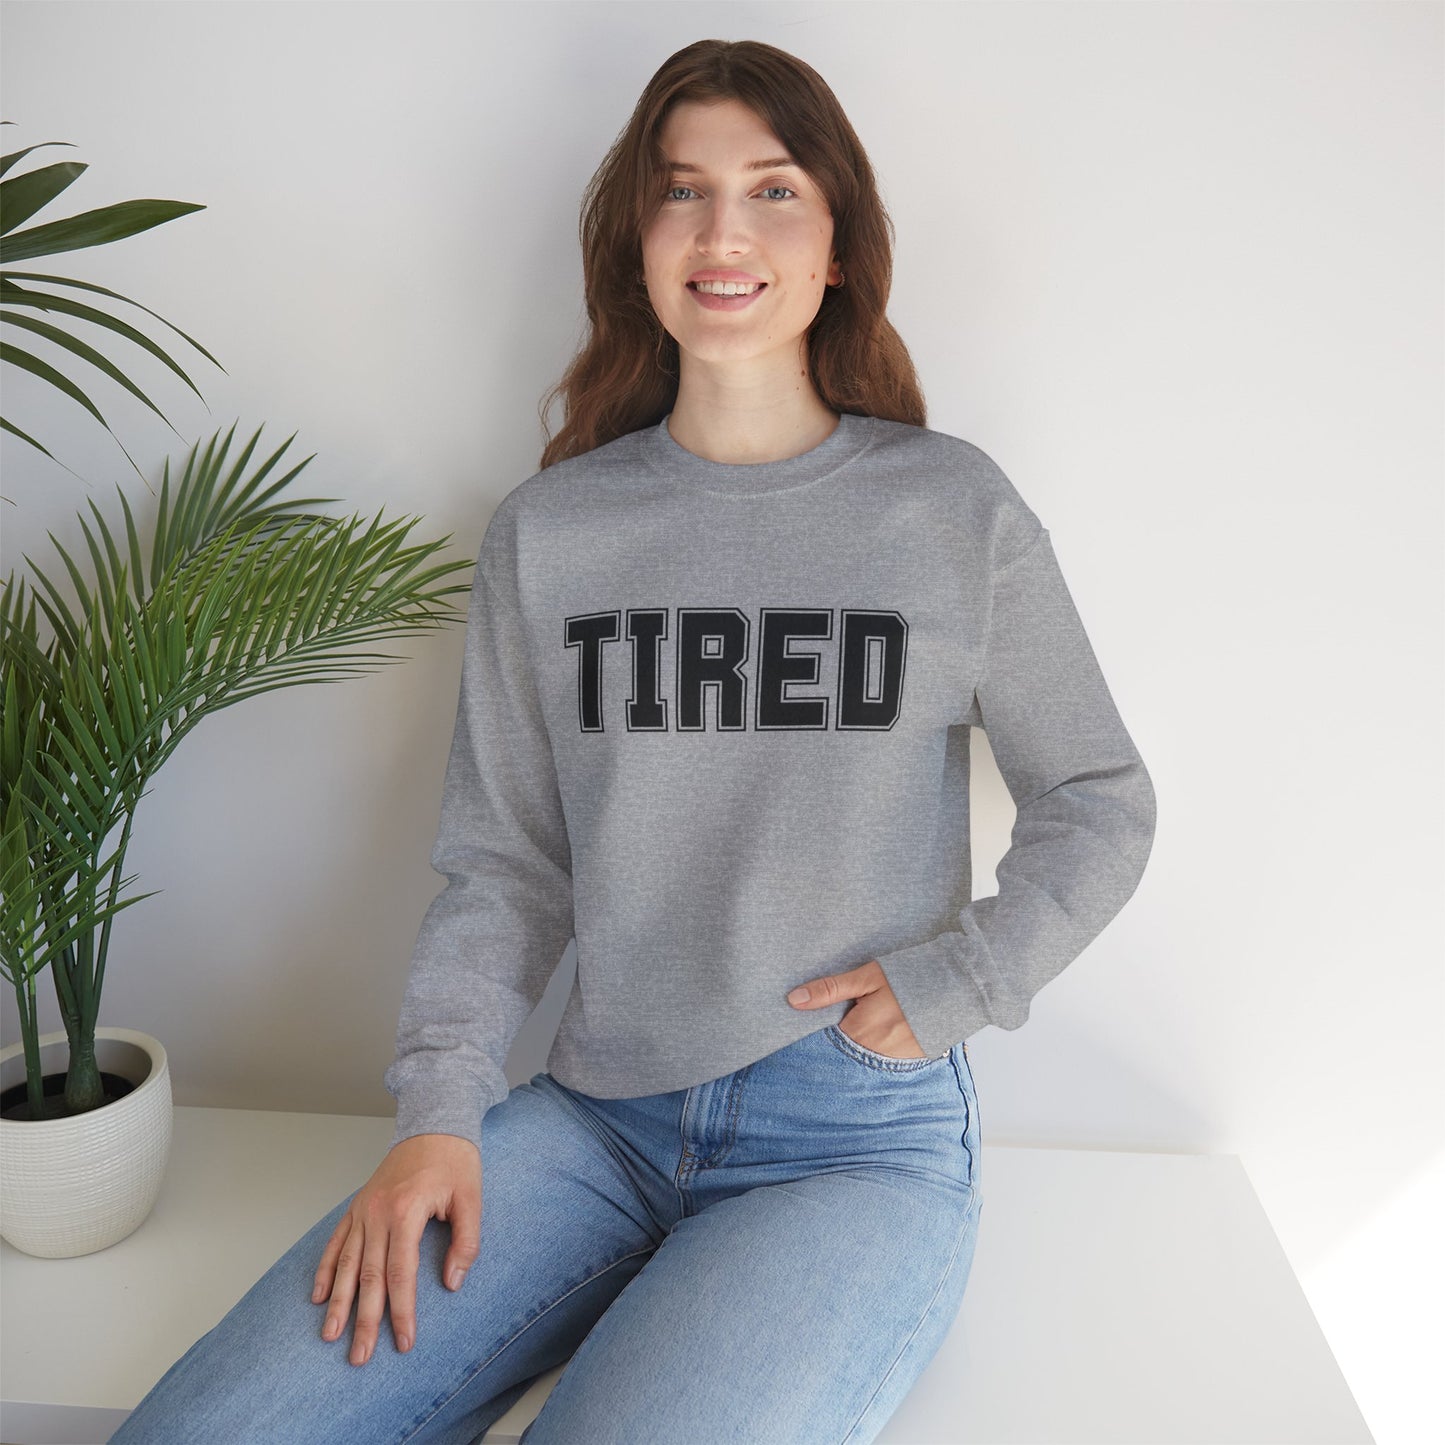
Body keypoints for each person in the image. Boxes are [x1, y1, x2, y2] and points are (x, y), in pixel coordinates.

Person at [109, 38, 1156, 1445]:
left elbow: (1098, 795)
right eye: (682, 192)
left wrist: (962, 974)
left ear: (837, 242)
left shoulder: (947, 513)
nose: (723, 232)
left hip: (846, 1139)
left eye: (772, 191)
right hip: (593, 1118)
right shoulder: (553, 533)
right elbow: (505, 866)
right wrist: (438, 1110)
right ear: (638, 241)